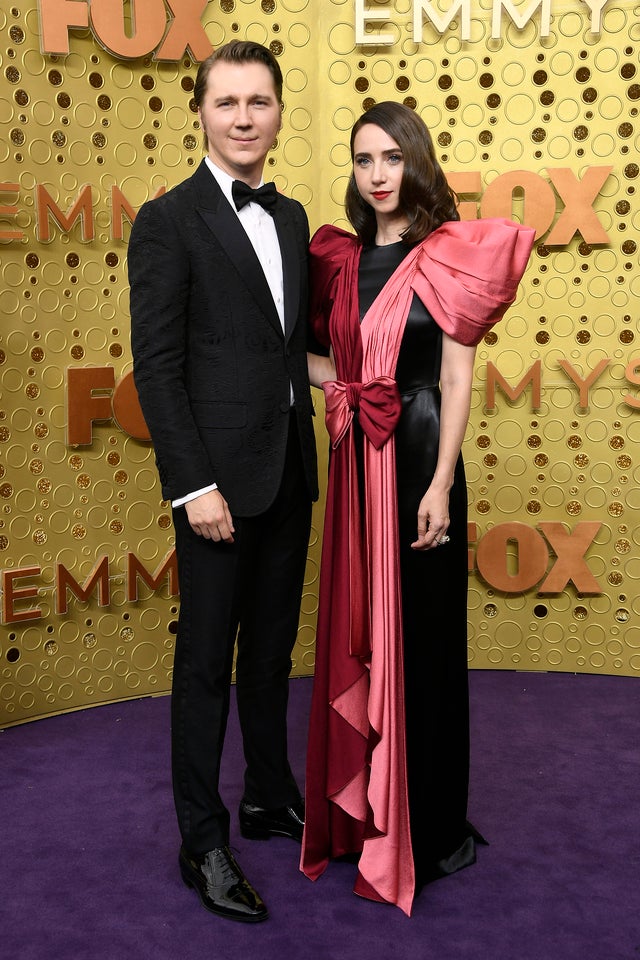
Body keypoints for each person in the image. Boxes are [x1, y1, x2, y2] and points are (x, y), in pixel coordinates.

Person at [301, 101, 535, 915]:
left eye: (391, 159)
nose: (376, 175)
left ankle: (427, 827)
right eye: (364, 159)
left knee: (425, 641)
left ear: (416, 164)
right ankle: (361, 810)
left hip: (421, 456)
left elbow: (460, 376)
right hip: (356, 464)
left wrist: (439, 484)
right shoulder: (334, 258)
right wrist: (338, 393)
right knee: (358, 629)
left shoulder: (449, 255)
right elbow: (312, 355)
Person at [128, 40, 318, 923]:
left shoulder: (291, 218)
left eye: (260, 102)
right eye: (227, 102)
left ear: (280, 113)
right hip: (215, 489)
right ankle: (202, 840)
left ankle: (269, 796)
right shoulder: (167, 220)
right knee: (207, 665)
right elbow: (159, 369)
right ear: (200, 112)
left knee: (275, 654)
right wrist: (190, 486)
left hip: (288, 472)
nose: (244, 118)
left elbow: (285, 350)